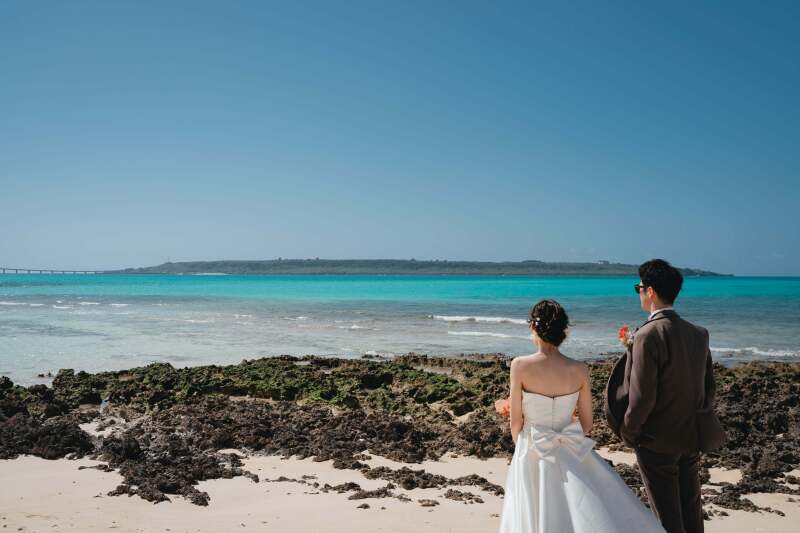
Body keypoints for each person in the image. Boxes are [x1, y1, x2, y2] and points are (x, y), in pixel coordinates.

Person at [499, 299, 664, 533]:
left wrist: (522, 447)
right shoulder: (579, 369)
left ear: (533, 327)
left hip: (532, 447)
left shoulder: (520, 365)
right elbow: (587, 425)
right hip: (571, 447)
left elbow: (516, 422)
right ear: (563, 332)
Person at [605, 259, 718, 533]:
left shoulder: (648, 334)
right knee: (691, 512)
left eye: (639, 287)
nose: (639, 293)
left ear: (651, 291)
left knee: (666, 517)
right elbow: (708, 389)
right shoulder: (698, 334)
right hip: (690, 435)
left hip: (656, 440)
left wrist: (630, 432)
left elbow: (642, 396)